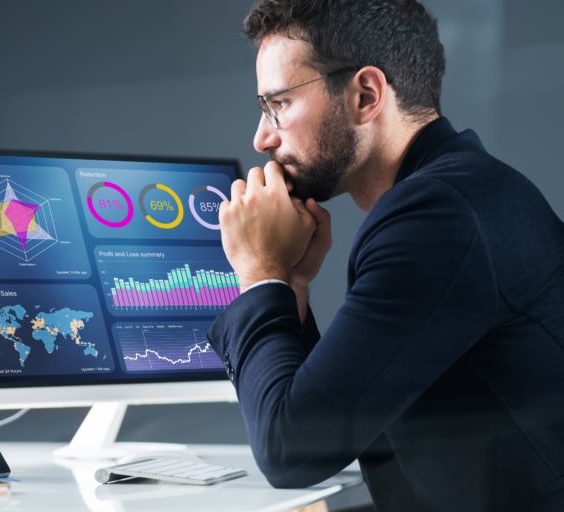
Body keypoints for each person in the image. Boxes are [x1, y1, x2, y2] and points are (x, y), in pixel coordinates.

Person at [206, 0, 564, 510]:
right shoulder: (461, 193)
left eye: (277, 104)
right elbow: (337, 422)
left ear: (366, 95)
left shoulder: (436, 218)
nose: (262, 136)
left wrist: (258, 272)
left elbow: (292, 450)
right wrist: (290, 284)